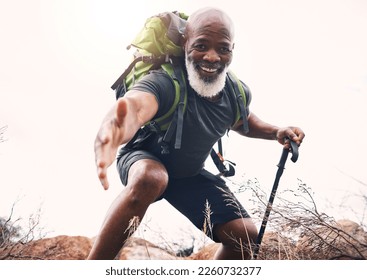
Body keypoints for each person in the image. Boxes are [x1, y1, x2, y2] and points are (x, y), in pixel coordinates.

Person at [88, 7, 305, 260]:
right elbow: (135, 108)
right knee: (152, 177)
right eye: (201, 46)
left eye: (223, 48)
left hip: (187, 174)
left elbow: (241, 119)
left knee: (244, 236)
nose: (212, 57)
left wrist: (276, 131)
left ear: (232, 49)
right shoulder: (166, 82)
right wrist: (111, 133)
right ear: (185, 43)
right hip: (142, 159)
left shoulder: (235, 92)